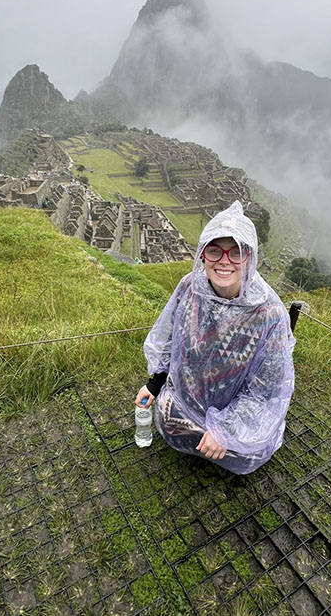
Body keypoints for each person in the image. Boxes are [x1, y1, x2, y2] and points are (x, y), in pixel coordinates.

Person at [134, 200, 295, 475]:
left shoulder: (269, 313)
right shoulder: (190, 287)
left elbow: (268, 389)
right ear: (203, 255)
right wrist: (155, 383)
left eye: (236, 253)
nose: (224, 261)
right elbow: (170, 339)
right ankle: (198, 433)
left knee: (246, 454)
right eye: (215, 250)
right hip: (189, 399)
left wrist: (227, 430)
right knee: (166, 421)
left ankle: (220, 440)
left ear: (250, 258)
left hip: (234, 407)